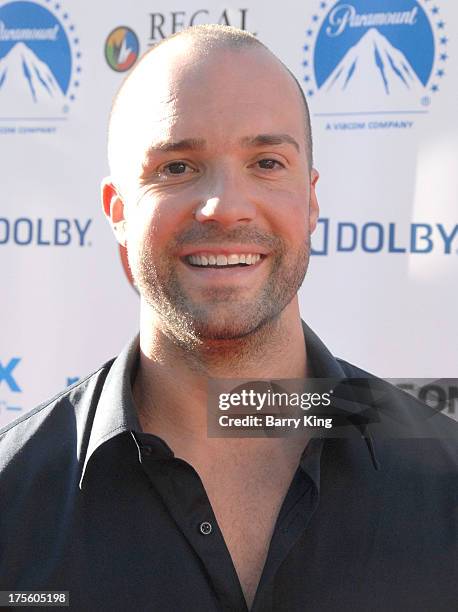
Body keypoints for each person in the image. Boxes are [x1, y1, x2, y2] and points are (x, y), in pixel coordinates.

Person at [0, 25, 456, 612]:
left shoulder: (445, 480)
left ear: (311, 200)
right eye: (177, 168)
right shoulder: (14, 496)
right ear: (117, 211)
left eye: (266, 161)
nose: (225, 207)